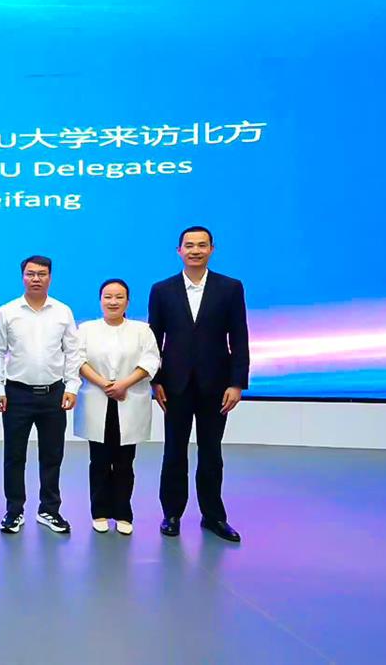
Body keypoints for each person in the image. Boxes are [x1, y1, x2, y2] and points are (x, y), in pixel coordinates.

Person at [148, 226, 249, 543]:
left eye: (202, 245)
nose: (195, 250)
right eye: (189, 245)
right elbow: (154, 340)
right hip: (174, 386)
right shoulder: (162, 290)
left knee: (211, 452)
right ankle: (172, 514)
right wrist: (155, 380)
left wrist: (237, 383)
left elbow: (239, 337)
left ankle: (214, 516)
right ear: (179, 250)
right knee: (174, 451)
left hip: (216, 386)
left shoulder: (230, 288)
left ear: (212, 249)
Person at [0, 255, 82, 535]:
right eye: (30, 274)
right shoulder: (7, 311)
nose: (36, 279)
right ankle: (14, 511)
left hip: (54, 394)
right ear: (22, 277)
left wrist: (72, 387)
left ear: (50, 277)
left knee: (52, 455)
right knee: (14, 456)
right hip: (16, 394)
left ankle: (49, 510)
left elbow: (73, 352)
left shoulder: (62, 311)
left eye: (41, 274)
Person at [75, 279, 161, 536]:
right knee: (99, 461)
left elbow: (151, 360)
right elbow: (78, 359)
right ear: (100, 300)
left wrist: (124, 384)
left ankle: (123, 513)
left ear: (128, 301)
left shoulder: (142, 330)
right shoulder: (86, 329)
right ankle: (99, 512)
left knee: (125, 462)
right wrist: (104, 384)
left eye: (119, 297)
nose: (113, 302)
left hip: (129, 399)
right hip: (97, 399)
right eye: (108, 297)